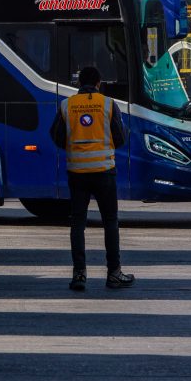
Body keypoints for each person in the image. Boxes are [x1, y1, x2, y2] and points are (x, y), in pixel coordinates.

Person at [50, 66, 135, 291]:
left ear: (79, 84)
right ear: (99, 83)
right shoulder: (108, 104)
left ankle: (79, 275)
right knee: (110, 222)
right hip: (104, 172)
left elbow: (56, 137)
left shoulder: (67, 105)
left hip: (77, 173)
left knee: (78, 222)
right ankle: (114, 274)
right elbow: (120, 137)